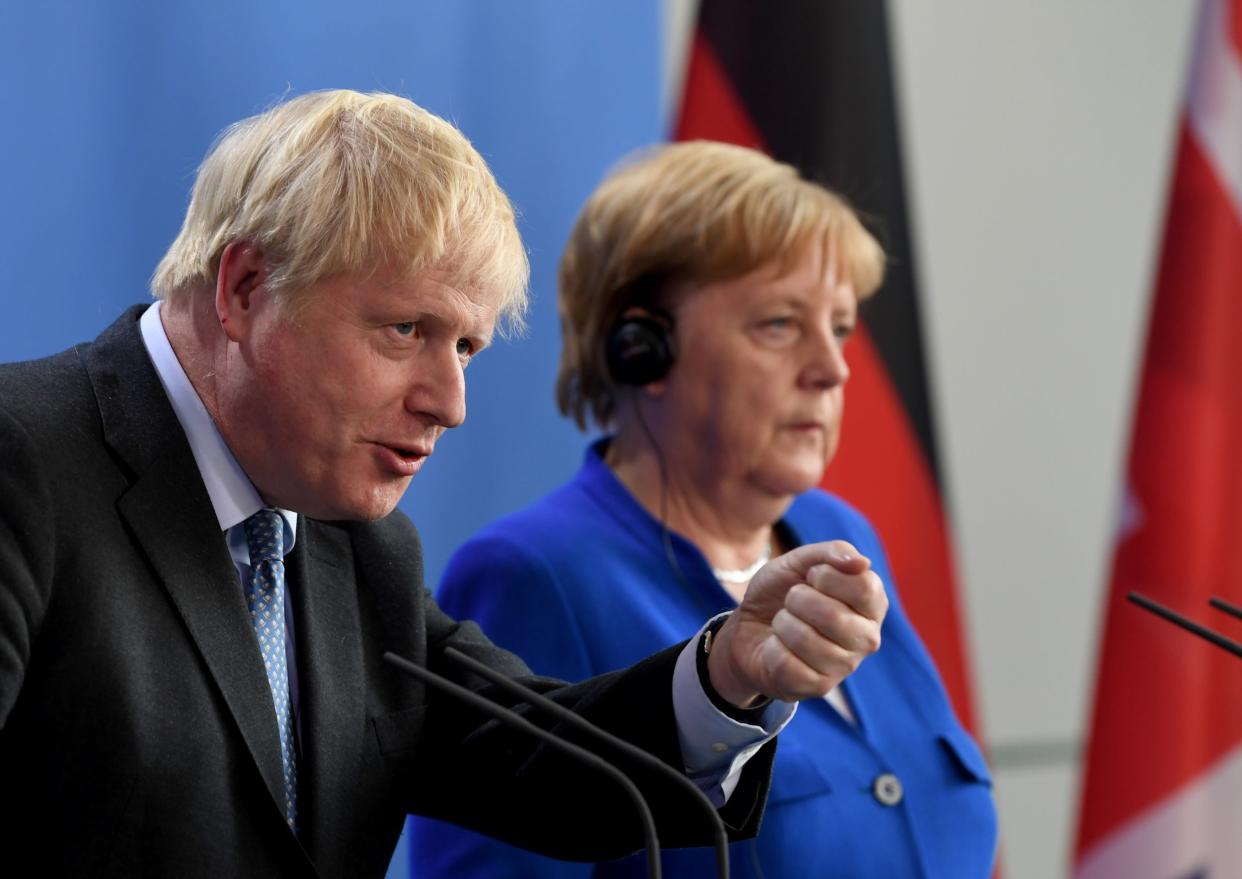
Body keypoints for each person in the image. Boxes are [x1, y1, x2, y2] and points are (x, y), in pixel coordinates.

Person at [0, 91, 890, 879]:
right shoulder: (21, 460)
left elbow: (545, 761)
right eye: (404, 329)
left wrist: (729, 673)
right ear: (243, 286)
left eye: (464, 346)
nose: (450, 403)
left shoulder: (358, 543)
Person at [412, 141, 998, 877]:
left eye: (841, 326)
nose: (833, 368)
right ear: (642, 349)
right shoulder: (536, 574)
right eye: (780, 324)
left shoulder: (838, 534)